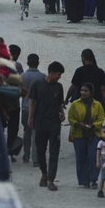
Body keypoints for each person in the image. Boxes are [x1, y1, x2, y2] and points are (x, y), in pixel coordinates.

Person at [29, 61, 66, 191]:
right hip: (40, 123)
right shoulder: (37, 85)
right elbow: (32, 102)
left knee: (54, 152)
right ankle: (44, 173)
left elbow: (59, 104)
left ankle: (51, 180)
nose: (59, 77)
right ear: (51, 73)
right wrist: (30, 117)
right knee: (40, 151)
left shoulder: (59, 87)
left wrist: (62, 112)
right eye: (58, 74)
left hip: (54, 123)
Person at [68, 83, 105, 188]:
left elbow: (100, 119)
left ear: (91, 93)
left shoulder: (97, 105)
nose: (83, 93)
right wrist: (79, 123)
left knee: (94, 156)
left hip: (93, 133)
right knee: (81, 157)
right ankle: (84, 181)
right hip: (79, 133)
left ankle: (93, 179)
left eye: (86, 91)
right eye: (82, 90)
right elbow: (70, 118)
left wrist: (93, 125)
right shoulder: (75, 104)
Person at [21, 54, 44, 168]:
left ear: (27, 62)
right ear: (38, 63)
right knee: (36, 134)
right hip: (38, 109)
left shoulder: (22, 76)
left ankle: (26, 155)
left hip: (25, 108)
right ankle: (36, 158)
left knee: (27, 132)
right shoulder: (42, 77)